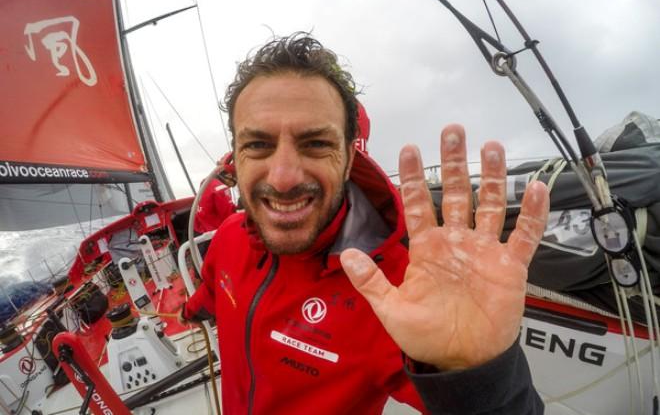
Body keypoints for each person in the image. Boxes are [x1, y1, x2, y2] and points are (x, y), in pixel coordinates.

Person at [181, 32, 548, 414]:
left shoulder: (398, 291)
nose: (283, 177)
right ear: (235, 156)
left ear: (350, 156)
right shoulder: (228, 237)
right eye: (257, 145)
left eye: (316, 143)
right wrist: (191, 311)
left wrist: (477, 376)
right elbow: (213, 288)